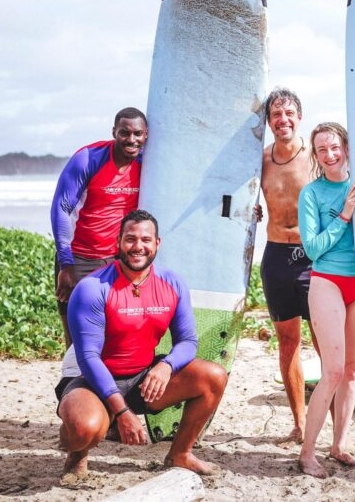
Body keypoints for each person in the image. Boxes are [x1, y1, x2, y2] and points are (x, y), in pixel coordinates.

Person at [55, 209, 228, 477]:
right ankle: (75, 448)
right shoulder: (93, 287)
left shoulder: (172, 283)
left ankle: (180, 454)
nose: (138, 246)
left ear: (157, 243)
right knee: (84, 430)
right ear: (118, 242)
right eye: (130, 239)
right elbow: (88, 357)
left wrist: (166, 366)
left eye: (146, 240)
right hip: (91, 379)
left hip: (142, 377)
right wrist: (122, 412)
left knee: (213, 377)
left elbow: (188, 341)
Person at [297, 122, 355, 478]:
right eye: (322, 149)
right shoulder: (312, 193)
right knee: (333, 370)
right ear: (316, 155)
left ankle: (339, 445)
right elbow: (312, 248)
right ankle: (308, 453)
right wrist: (344, 216)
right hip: (329, 281)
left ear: (347, 147)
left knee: (353, 370)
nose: (330, 155)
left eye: (335, 147)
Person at [51, 107, 147, 349]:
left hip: (119, 261)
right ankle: (72, 386)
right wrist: (66, 264)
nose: (131, 140)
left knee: (115, 337)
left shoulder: (149, 164)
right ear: (114, 132)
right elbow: (61, 208)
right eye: (124, 133)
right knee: (77, 341)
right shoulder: (89, 158)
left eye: (138, 134)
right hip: (79, 258)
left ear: (146, 136)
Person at [257, 87, 322, 444]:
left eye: (289, 113)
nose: (283, 120)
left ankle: (327, 423)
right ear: (269, 121)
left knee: (324, 341)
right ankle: (299, 422)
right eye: (275, 115)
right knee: (288, 342)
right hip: (276, 257)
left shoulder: (316, 156)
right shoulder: (261, 159)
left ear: (300, 116)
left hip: (313, 258)